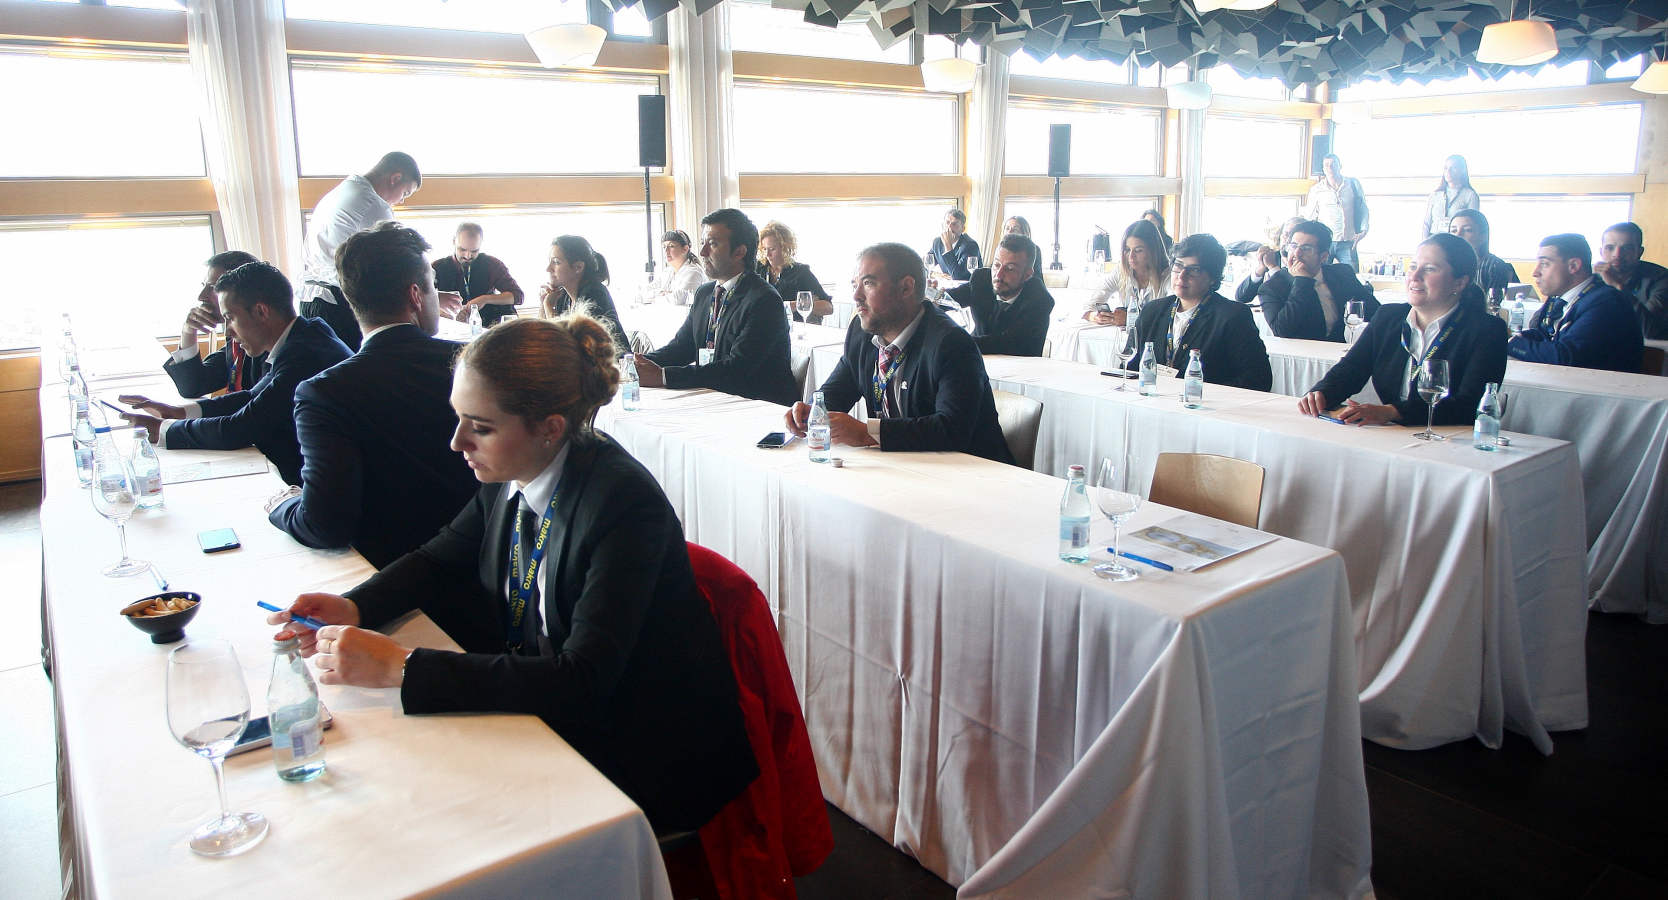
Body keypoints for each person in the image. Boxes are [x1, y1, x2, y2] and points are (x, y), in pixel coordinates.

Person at [264, 314, 757, 836]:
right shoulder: (515, 472)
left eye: (480, 426)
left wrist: (404, 668)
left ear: (550, 428)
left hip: (641, 747)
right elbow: (437, 558)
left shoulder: (620, 504)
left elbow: (582, 681)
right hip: (548, 706)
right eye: (458, 419)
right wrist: (357, 605)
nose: (457, 442)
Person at [267, 222, 478, 570]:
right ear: (415, 295)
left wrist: (283, 504)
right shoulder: (474, 363)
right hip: (488, 563)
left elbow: (324, 525)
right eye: (433, 286)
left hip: (386, 573)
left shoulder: (324, 392)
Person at [118, 262, 351, 484]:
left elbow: (240, 427)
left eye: (230, 318)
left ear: (261, 311)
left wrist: (162, 429)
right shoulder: (303, 335)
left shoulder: (305, 355)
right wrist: (178, 412)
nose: (228, 332)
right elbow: (251, 397)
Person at [785, 242, 1013, 464]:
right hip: (903, 467)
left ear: (906, 287)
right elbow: (837, 393)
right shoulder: (861, 333)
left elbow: (952, 430)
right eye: (855, 284)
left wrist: (868, 433)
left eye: (868, 283)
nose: (856, 296)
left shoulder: (951, 343)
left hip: (973, 475)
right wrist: (811, 413)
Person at [1299, 233, 1507, 427]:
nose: (1414, 277)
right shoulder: (1389, 317)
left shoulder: (1487, 330)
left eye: (1430, 269)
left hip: (1450, 441)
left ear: (1460, 282)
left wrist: (1392, 412)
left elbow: (1468, 405)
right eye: (1413, 266)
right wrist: (1322, 394)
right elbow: (1351, 369)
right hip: (1395, 436)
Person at [637, 209, 797, 405]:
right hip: (716, 397)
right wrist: (637, 363)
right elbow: (683, 346)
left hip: (758, 408)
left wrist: (663, 376)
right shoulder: (705, 293)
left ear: (739, 251)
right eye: (703, 243)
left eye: (712, 244)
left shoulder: (764, 299)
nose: (702, 252)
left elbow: (737, 368)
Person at [299, 151, 424, 351]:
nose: (401, 201)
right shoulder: (372, 203)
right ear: (395, 178)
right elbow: (396, 261)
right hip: (338, 303)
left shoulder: (341, 191)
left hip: (310, 299)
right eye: (405, 193)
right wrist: (423, 295)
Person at [1122, 234, 1272, 391]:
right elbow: (1129, 365)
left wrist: (1199, 392)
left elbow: (1258, 378)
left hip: (1203, 406)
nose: (1181, 276)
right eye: (1178, 266)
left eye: (1193, 270)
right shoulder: (1152, 311)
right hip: (1153, 401)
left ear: (1213, 278)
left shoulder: (1232, 316)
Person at [1508, 233, 1643, 372]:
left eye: (1544, 264)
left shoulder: (1607, 303)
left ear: (1573, 266)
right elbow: (1546, 337)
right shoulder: (1559, 298)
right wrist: (1511, 337)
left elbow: (1566, 357)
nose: (1535, 272)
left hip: (1603, 390)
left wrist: (1513, 344)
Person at [1256, 220, 1379, 342]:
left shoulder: (1341, 273)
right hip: (1300, 357)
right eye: (1293, 246)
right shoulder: (1272, 287)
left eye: (1306, 248)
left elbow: (1374, 311)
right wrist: (1302, 281)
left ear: (1323, 257)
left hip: (1338, 352)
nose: (1297, 254)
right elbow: (1282, 331)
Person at [163, 249, 261, 398]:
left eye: (213, 288)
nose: (201, 296)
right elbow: (193, 386)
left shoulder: (268, 341)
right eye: (204, 286)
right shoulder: (236, 340)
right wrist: (188, 331)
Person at [943, 233, 1055, 356]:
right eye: (996, 265)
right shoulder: (982, 280)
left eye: (1010, 268)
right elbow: (948, 300)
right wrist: (931, 295)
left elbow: (1008, 344)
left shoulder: (1039, 300)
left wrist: (956, 342)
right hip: (976, 359)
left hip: (1019, 369)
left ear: (1027, 275)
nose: (999, 275)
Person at [540, 235, 626, 351]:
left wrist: (549, 307)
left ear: (578, 267)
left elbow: (567, 347)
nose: (548, 268)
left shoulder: (594, 295)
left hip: (610, 365)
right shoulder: (563, 295)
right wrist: (543, 304)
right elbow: (542, 336)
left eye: (556, 262)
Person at [431, 222, 524, 328]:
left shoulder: (491, 264)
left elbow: (518, 296)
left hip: (488, 329)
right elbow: (423, 302)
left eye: (474, 251)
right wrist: (446, 313)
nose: (468, 256)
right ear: (453, 242)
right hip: (451, 328)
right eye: (462, 250)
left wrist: (485, 299)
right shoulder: (437, 267)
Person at [1082, 219, 1172, 326]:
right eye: (1127, 250)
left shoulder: (1169, 276)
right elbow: (1088, 306)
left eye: (1138, 250)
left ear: (1153, 251)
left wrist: (1132, 319)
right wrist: (1096, 316)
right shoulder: (1121, 271)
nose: (1131, 257)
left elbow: (1171, 318)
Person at [1595, 222, 1668, 340]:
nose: (1617, 254)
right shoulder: (1591, 278)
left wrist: (1618, 286)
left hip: (1649, 353)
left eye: (1627, 248)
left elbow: (1648, 331)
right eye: (1610, 248)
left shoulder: (1661, 278)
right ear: (1601, 252)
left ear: (1640, 252)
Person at [757, 220, 833, 324]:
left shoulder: (801, 272)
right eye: (764, 249)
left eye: (772, 249)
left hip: (793, 329)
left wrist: (795, 305)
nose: (767, 254)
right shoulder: (758, 269)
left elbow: (828, 307)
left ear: (785, 248)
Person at [1305, 153, 1369, 270]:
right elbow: (1311, 217)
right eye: (1327, 165)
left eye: (1333, 164)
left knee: (1352, 276)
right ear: (1323, 169)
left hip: (1348, 241)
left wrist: (1363, 230)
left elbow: (1363, 208)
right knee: (1321, 275)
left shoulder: (1353, 184)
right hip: (1326, 242)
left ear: (1340, 166)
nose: (1330, 167)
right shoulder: (1316, 190)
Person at [1446, 209, 1518, 297]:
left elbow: (1494, 305)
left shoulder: (1494, 266)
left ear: (1483, 236)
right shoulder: (1445, 265)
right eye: (1453, 231)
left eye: (1467, 230)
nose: (1458, 235)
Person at [1234, 217, 1305, 303]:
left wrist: (1273, 268)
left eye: (1293, 236)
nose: (1288, 240)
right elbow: (1241, 297)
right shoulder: (1270, 258)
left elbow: (1294, 299)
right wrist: (1260, 269)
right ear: (1280, 236)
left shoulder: (1308, 264)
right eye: (1286, 234)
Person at [1421, 154, 1479, 240]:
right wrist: (1425, 243)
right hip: (1433, 239)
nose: (1448, 171)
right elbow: (1426, 223)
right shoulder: (1436, 195)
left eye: (1453, 168)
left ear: (1462, 170)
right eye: (1446, 168)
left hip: (1455, 240)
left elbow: (1472, 225)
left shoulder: (1470, 195)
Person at [652, 229, 706, 302]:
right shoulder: (667, 271)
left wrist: (659, 295)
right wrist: (663, 294)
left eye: (671, 246)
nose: (666, 251)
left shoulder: (694, 272)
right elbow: (647, 291)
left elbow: (680, 299)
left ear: (685, 249)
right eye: (664, 247)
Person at [927, 207, 981, 280]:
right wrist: (934, 274)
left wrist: (948, 246)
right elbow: (923, 266)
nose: (949, 227)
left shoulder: (970, 245)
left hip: (967, 288)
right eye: (947, 222)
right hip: (948, 287)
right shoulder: (937, 242)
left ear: (963, 228)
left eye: (954, 224)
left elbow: (958, 276)